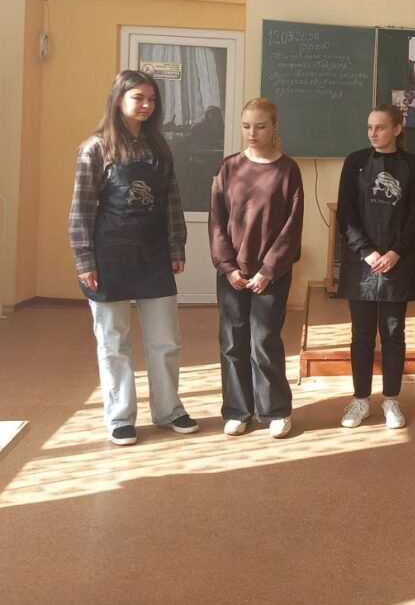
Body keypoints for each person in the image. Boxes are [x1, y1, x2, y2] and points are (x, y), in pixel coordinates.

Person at [68, 69, 198, 446]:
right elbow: (81, 210)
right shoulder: (95, 148)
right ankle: (120, 417)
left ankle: (169, 410)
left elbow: (172, 201)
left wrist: (176, 246)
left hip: (154, 255)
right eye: (138, 98)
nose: (146, 105)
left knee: (166, 340)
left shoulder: (159, 148)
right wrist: (84, 260)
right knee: (113, 343)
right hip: (108, 257)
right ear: (119, 100)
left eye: (151, 99)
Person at [209, 97, 304, 438]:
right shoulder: (229, 167)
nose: (252, 133)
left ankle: (275, 411)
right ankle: (238, 410)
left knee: (264, 341)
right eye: (247, 126)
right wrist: (227, 267)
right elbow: (217, 221)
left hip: (271, 274)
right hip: (232, 273)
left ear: (274, 126)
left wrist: (268, 270)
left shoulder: (288, 170)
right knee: (232, 340)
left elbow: (292, 227)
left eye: (260, 126)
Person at [336, 104, 415, 431]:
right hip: (362, 263)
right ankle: (361, 399)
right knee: (361, 334)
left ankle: (391, 399)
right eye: (370, 127)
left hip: (396, 263)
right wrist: (367, 252)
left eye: (381, 127)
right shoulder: (355, 162)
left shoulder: (413, 165)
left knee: (393, 333)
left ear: (397, 130)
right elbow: (346, 213)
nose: (373, 133)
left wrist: (396, 252)